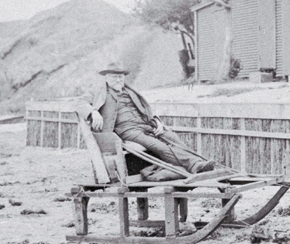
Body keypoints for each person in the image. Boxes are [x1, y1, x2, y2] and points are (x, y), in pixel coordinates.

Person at [74, 62, 215, 177]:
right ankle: (194, 165)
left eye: (121, 77)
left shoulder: (130, 91)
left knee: (171, 136)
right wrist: (93, 112)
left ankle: (198, 163)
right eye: (114, 77)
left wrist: (157, 121)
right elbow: (79, 103)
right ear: (105, 77)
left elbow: (146, 110)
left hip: (144, 125)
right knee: (157, 145)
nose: (118, 80)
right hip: (126, 130)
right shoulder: (98, 91)